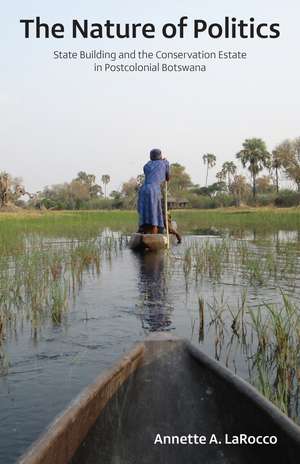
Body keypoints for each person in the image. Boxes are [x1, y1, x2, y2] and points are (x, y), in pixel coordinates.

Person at [137, 148, 169, 234]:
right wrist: (166, 163)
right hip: (153, 190)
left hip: (143, 189)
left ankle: (142, 228)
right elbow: (167, 177)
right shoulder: (164, 163)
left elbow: (151, 172)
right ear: (160, 156)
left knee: (144, 210)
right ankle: (155, 233)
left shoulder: (146, 165)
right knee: (154, 211)